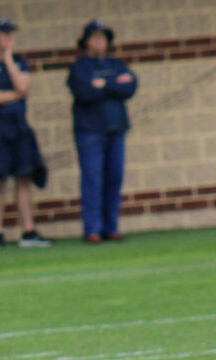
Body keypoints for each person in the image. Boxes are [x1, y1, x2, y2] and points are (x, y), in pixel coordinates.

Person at [0, 17, 53, 249]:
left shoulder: (19, 62)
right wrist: (16, 94)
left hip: (19, 128)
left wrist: (8, 59)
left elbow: (24, 86)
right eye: (3, 33)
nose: (7, 37)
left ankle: (28, 230)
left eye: (10, 33)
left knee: (24, 178)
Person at [67, 20, 137, 244]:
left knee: (114, 176)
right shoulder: (80, 67)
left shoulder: (117, 64)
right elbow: (84, 91)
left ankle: (111, 226)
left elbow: (129, 86)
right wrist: (112, 84)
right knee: (93, 179)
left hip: (116, 127)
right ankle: (92, 229)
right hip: (89, 131)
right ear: (86, 41)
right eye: (94, 37)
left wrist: (103, 84)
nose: (99, 41)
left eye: (103, 37)